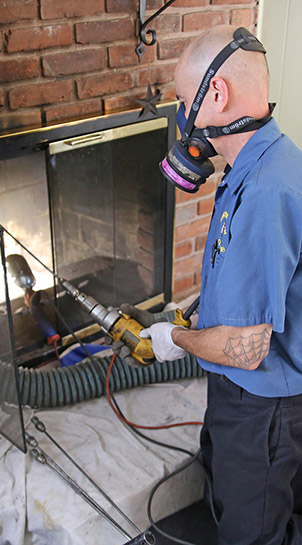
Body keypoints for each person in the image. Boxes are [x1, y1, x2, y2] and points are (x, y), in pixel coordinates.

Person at [117, 24, 302, 545]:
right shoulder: (254, 166)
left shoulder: (266, 191)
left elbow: (246, 351)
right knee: (225, 487)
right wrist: (202, 317)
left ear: (215, 95)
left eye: (183, 100)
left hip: (262, 402)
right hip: (241, 395)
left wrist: (173, 340)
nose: (182, 118)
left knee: (252, 533)